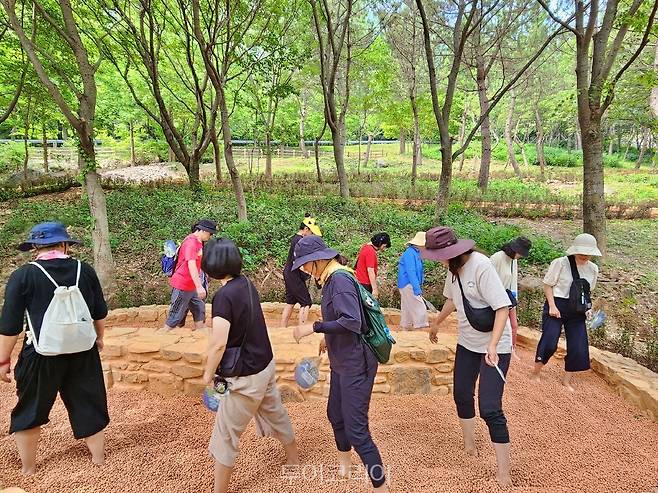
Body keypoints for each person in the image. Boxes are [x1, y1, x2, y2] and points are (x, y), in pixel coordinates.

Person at [0, 222, 109, 475]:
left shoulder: (24, 275)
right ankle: (98, 458)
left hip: (40, 354)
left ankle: (28, 468)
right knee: (89, 401)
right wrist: (99, 338)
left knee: (31, 406)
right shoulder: (85, 270)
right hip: (83, 350)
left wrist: (3, 360)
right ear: (64, 245)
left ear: (35, 247)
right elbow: (99, 313)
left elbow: (9, 326)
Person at [291, 236, 389, 493]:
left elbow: (352, 321)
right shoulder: (332, 279)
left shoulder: (340, 281)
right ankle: (344, 469)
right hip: (342, 361)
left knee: (357, 430)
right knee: (335, 415)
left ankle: (381, 486)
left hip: (356, 362)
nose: (303, 269)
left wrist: (314, 327)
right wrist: (327, 337)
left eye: (305, 264)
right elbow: (343, 320)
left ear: (319, 260)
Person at [201, 238, 299, 493]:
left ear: (211, 265)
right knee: (276, 413)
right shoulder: (246, 283)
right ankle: (294, 459)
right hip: (265, 365)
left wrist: (207, 375)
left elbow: (219, 344)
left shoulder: (223, 297)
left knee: (225, 433)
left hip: (245, 376)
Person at [423, 227, 513, 487]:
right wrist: (437, 322)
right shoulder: (452, 270)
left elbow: (502, 307)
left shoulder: (481, 266)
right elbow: (453, 299)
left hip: (495, 346)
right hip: (468, 343)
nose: (436, 259)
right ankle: (469, 442)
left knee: (490, 408)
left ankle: (504, 470)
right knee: (461, 394)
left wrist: (493, 345)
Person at [530, 233, 601, 391]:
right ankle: (536, 372)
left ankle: (567, 380)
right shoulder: (560, 263)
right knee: (549, 341)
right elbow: (548, 285)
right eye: (581, 251)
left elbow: (587, 292)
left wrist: (588, 309)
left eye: (587, 252)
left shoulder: (593, 269)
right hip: (557, 304)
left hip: (577, 310)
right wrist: (552, 306)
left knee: (578, 346)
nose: (584, 255)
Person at [162, 219, 217, 332]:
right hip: (183, 284)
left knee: (199, 310)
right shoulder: (191, 243)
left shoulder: (198, 242)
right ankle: (162, 336)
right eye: (210, 233)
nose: (210, 236)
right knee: (175, 315)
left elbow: (197, 263)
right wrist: (199, 286)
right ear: (202, 230)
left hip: (192, 285)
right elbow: (191, 264)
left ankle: (200, 331)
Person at [490, 237, 532, 359]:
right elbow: (488, 278)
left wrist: (514, 297)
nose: (520, 256)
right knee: (503, 325)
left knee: (514, 325)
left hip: (508, 296)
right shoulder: (497, 257)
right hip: (496, 298)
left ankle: (511, 349)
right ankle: (497, 348)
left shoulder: (513, 260)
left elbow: (513, 280)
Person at [280, 214, 322, 328]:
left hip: (289, 273)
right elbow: (298, 263)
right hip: (294, 275)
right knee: (306, 302)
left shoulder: (296, 239)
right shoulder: (299, 241)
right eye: (311, 232)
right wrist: (314, 274)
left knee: (290, 301)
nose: (311, 235)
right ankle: (301, 328)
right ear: (306, 229)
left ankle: (282, 328)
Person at [397, 231, 428, 330]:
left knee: (407, 307)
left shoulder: (415, 253)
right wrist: (416, 287)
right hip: (408, 284)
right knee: (419, 306)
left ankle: (406, 327)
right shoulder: (410, 254)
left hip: (408, 284)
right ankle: (421, 326)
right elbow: (411, 272)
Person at [354, 233, 391, 298]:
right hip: (365, 283)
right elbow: (370, 271)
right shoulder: (370, 252)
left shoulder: (365, 246)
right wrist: (375, 289)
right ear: (380, 244)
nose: (384, 249)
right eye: (384, 246)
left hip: (359, 280)